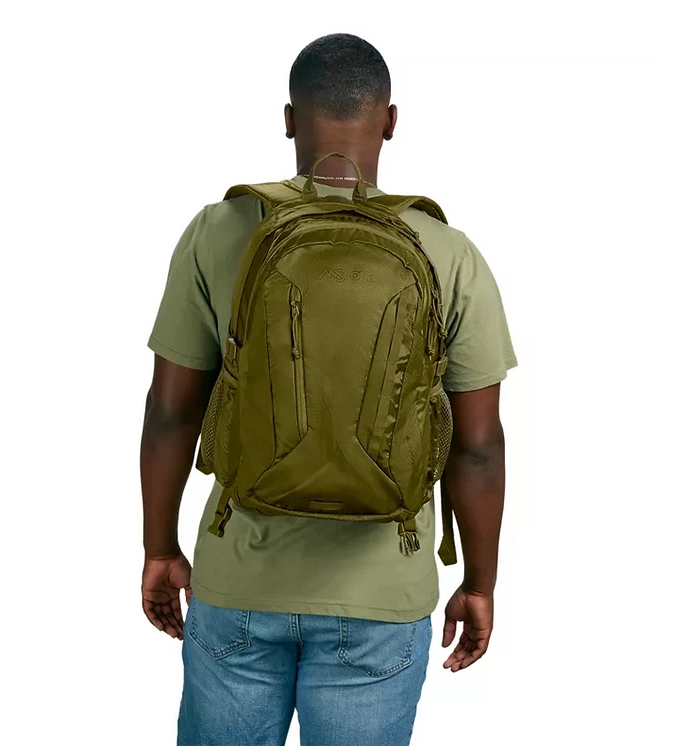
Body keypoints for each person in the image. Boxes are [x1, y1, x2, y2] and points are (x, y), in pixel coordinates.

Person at [141, 32, 517, 746]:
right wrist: (479, 582)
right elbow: (478, 446)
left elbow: (170, 411)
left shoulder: (218, 230)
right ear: (390, 121)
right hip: (383, 594)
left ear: (289, 119)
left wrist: (159, 547)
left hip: (239, 581)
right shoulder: (447, 252)